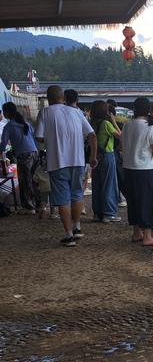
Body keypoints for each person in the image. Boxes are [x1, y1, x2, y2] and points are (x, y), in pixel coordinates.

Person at [34, 84, 97, 247]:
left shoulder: (45, 112)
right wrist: (93, 156)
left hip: (57, 162)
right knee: (76, 194)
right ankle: (77, 227)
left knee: (63, 198)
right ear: (63, 97)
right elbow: (92, 134)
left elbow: (39, 137)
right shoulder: (77, 112)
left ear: (49, 98)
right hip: (77, 161)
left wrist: (52, 139)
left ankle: (68, 236)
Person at [120, 96, 153, 247]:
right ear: (147, 110)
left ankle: (136, 233)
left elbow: (121, 147)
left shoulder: (127, 125)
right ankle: (147, 236)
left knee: (133, 200)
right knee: (148, 201)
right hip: (145, 169)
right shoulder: (150, 127)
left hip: (128, 168)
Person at [0, 102, 38, 212]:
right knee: (34, 180)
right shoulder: (26, 123)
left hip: (24, 155)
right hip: (34, 153)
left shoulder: (9, 126)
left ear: (7, 112)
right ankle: (38, 204)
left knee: (25, 181)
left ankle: (29, 207)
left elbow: (3, 145)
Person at [89, 100, 121, 223]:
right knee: (109, 184)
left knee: (97, 185)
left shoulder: (92, 123)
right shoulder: (106, 124)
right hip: (107, 155)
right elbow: (120, 136)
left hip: (95, 156)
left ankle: (97, 213)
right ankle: (109, 214)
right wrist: (114, 122)